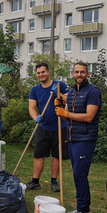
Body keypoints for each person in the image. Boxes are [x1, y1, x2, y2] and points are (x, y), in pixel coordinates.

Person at [55, 61, 101, 213]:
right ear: (73, 74)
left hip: (85, 139)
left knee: (80, 175)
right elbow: (68, 110)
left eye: (82, 72)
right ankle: (84, 209)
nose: (79, 75)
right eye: (76, 72)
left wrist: (65, 112)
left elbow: (88, 117)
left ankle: (82, 211)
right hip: (73, 138)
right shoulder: (73, 92)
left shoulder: (93, 92)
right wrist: (59, 105)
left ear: (87, 74)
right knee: (77, 174)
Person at [26, 62, 69, 192]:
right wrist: (36, 118)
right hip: (43, 127)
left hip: (60, 126)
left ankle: (54, 182)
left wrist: (59, 94)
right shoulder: (35, 90)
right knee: (39, 154)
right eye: (38, 73)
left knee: (57, 155)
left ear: (48, 72)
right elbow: (32, 107)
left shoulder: (60, 85)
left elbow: (68, 100)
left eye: (43, 72)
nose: (41, 75)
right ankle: (35, 181)